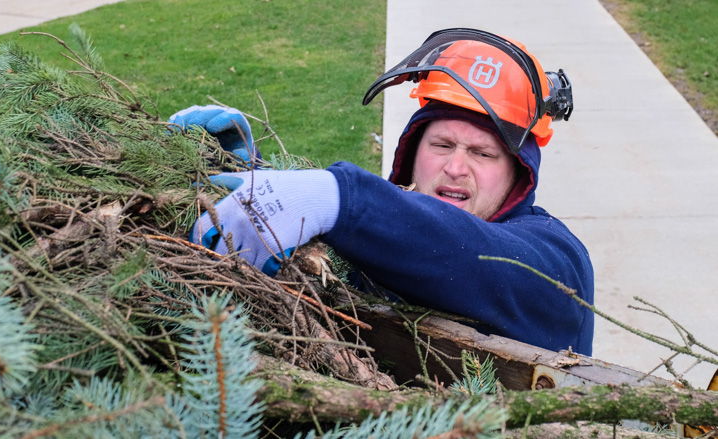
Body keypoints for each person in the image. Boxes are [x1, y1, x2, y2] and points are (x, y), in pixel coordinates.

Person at [169, 28, 594, 355]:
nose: (455, 166)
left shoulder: (558, 261)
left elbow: (472, 257)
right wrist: (257, 180)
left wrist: (340, 200)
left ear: (518, 174)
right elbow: (397, 235)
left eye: (482, 153)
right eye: (441, 145)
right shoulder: (385, 239)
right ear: (411, 151)